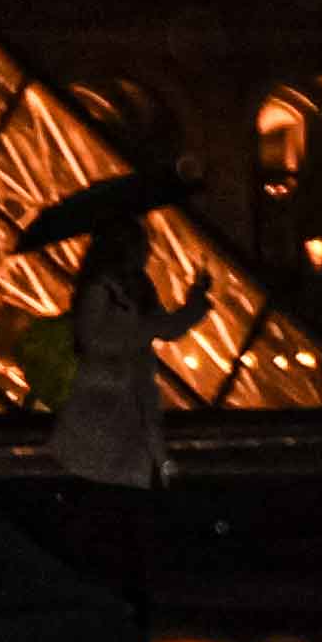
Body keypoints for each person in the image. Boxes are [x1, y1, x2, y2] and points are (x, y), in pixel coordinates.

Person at [38, 208, 214, 602]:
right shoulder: (99, 289)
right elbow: (92, 342)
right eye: (142, 244)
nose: (148, 251)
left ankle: (119, 585)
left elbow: (166, 329)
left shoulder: (138, 286)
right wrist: (139, 333)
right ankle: (109, 585)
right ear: (122, 247)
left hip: (130, 406)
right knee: (110, 502)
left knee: (122, 502)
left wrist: (195, 301)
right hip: (103, 407)